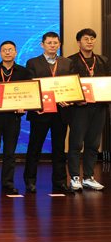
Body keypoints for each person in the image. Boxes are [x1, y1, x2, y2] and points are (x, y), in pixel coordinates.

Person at [23, 31, 75, 194]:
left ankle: (60, 182)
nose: (52, 45)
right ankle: (30, 181)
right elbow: (31, 86)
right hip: (41, 112)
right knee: (34, 148)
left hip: (61, 112)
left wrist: (70, 99)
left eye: (55, 42)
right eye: (49, 43)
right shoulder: (33, 62)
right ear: (42, 45)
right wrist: (38, 105)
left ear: (59, 44)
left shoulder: (67, 63)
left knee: (59, 149)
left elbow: (71, 85)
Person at [0, 41, 30, 194]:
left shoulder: (23, 71)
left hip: (13, 117)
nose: (7, 52)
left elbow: (27, 93)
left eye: (10, 50)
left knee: (10, 152)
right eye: (4, 50)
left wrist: (24, 107)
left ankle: (8, 182)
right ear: (0, 53)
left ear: (15, 52)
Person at [67, 28, 108, 191]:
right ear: (78, 42)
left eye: (92, 38)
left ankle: (89, 177)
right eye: (86, 39)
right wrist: (76, 100)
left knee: (93, 143)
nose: (89, 41)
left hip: (99, 107)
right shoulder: (71, 61)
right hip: (80, 109)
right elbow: (69, 85)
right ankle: (75, 177)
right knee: (76, 143)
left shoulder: (103, 60)